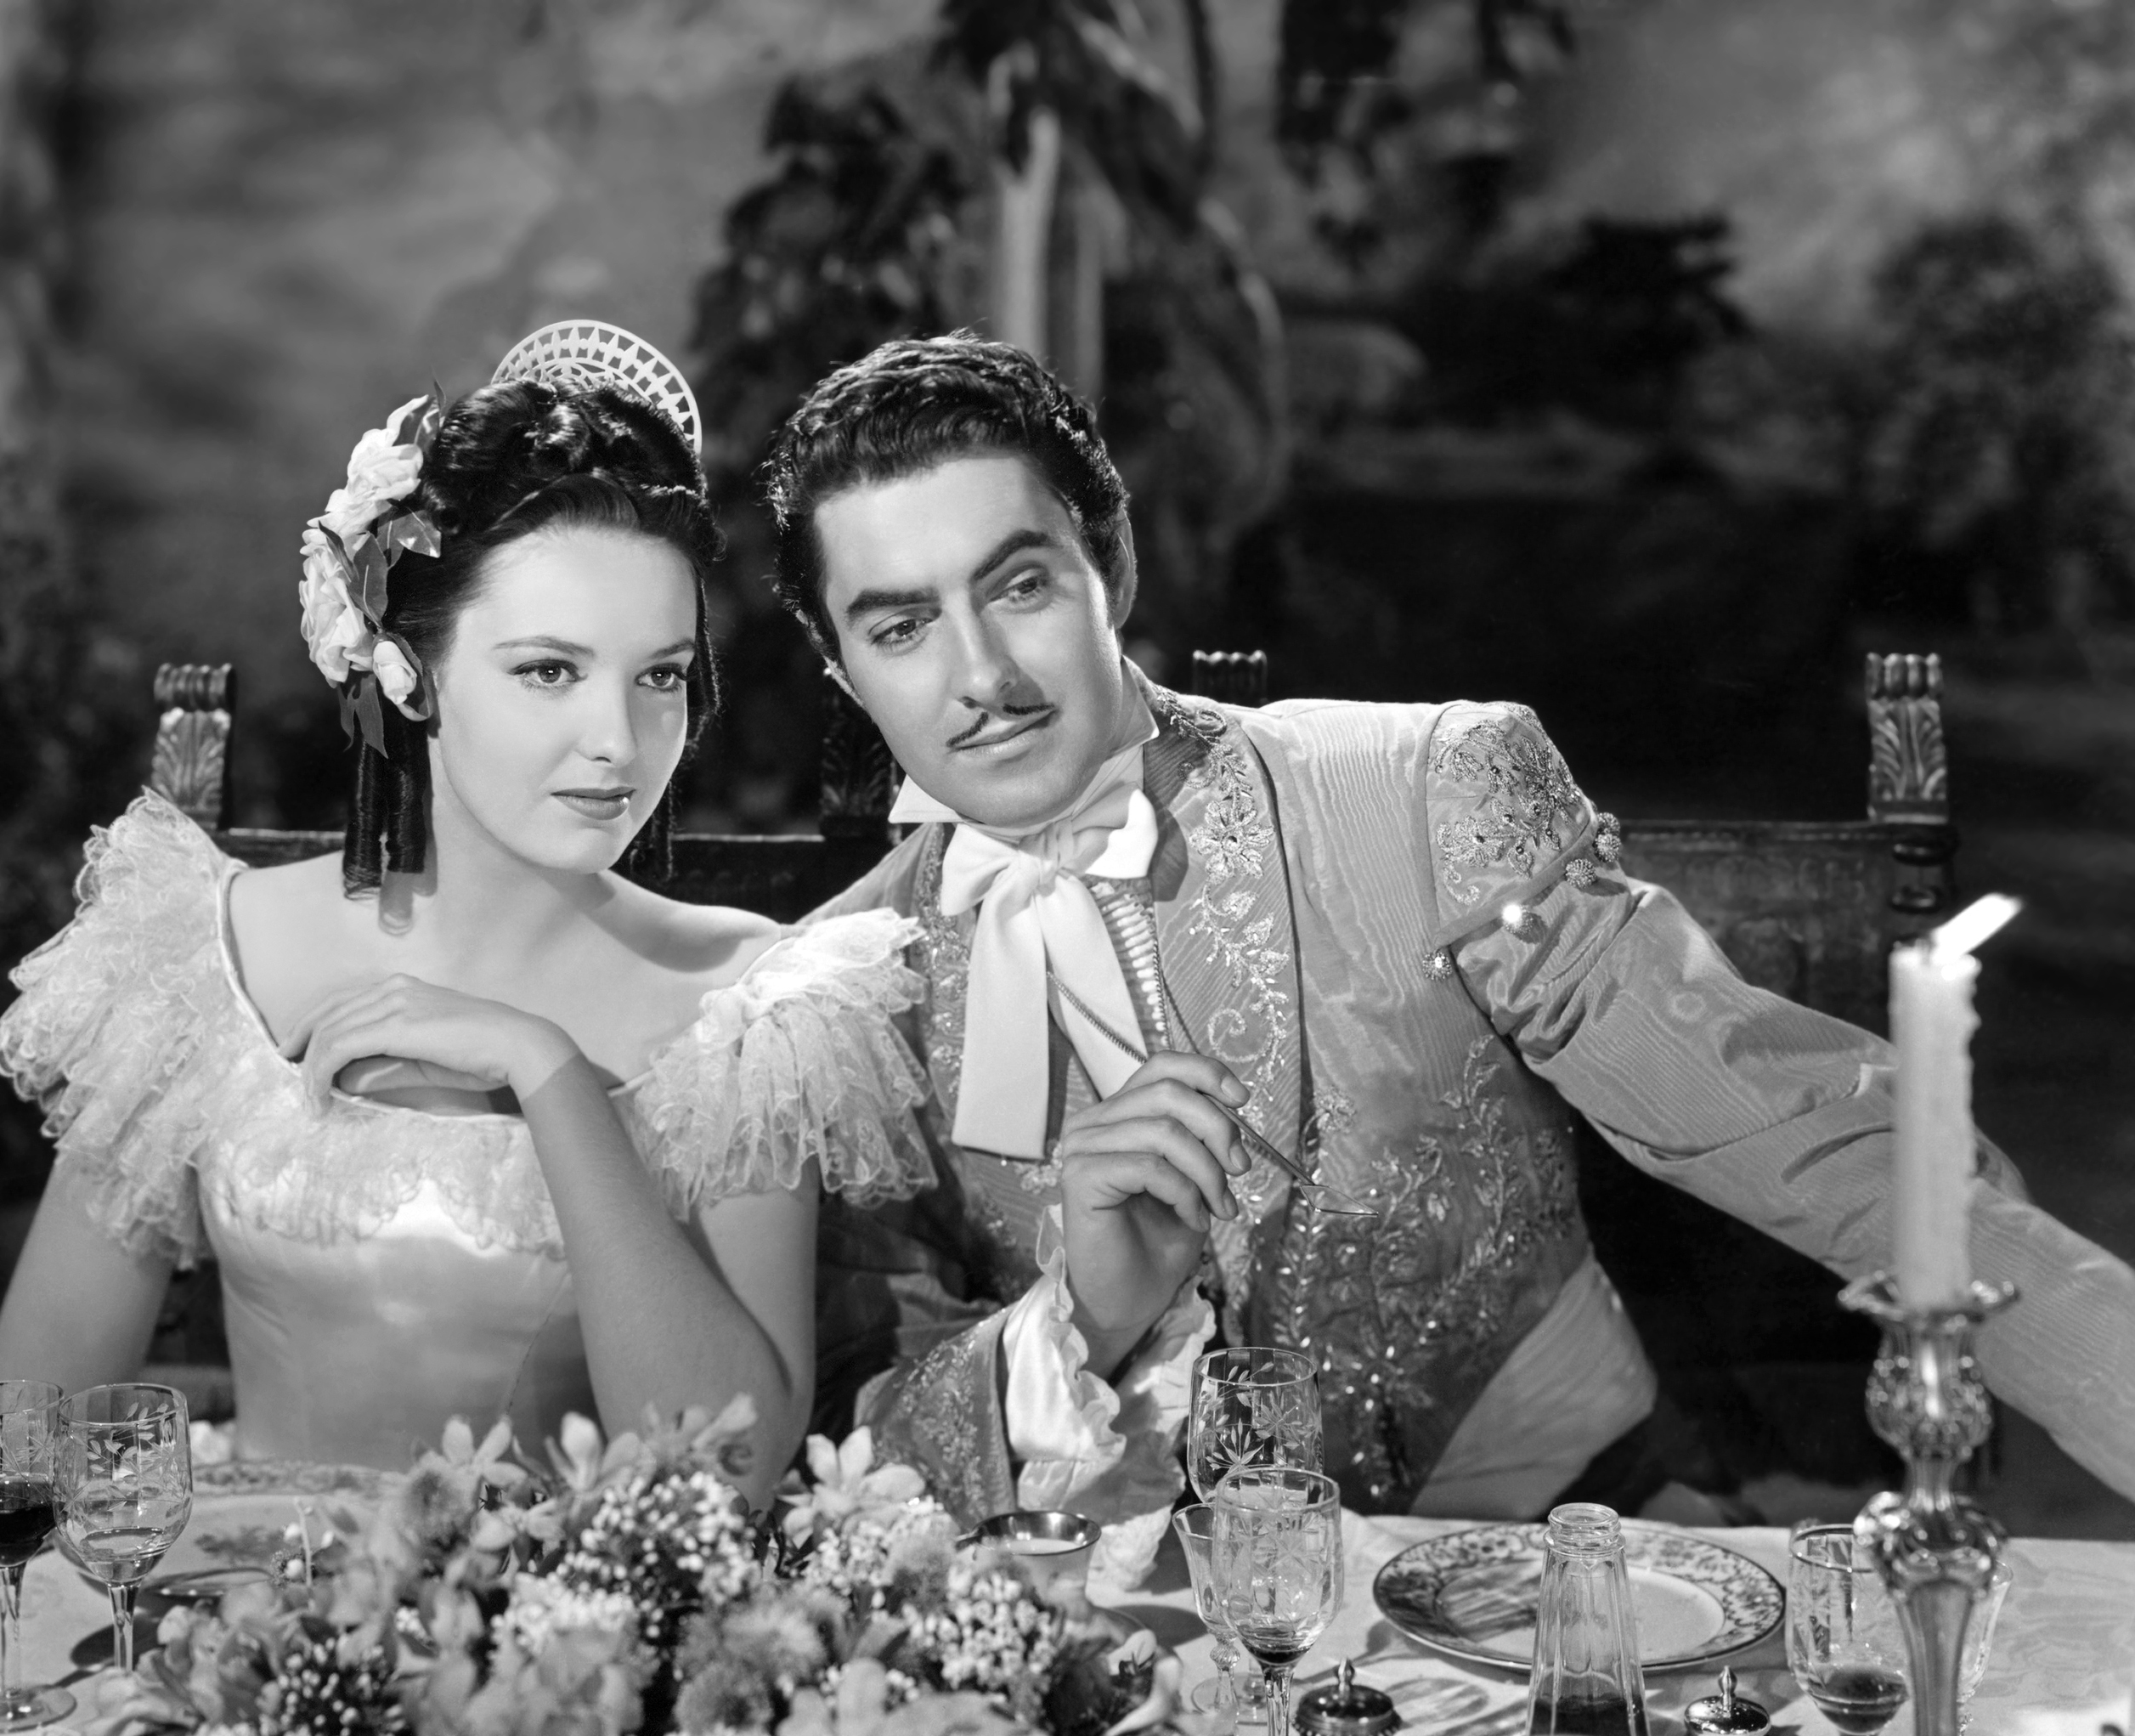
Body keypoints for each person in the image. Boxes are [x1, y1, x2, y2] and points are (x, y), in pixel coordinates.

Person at [770, 332, 2135, 1583]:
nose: (981, 676)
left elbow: (1809, 1135)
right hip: (1136, 1636)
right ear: (839, 667)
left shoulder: (1424, 793)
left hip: (1580, 1568)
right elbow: (846, 1444)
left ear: (1110, 566)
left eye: (1018, 587)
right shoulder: (834, 1005)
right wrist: (1084, 1314)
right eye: (900, 627)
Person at [0, 326, 933, 1502]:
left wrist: (548, 1073)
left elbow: (725, 1473)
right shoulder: (203, 956)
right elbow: (23, 1434)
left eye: (661, 675)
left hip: (582, 1614)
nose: (618, 741)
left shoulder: (749, 1009)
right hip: (247, 1599)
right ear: (406, 671)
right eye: (549, 671)